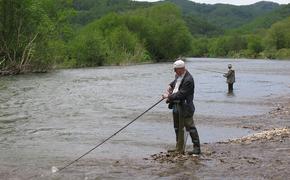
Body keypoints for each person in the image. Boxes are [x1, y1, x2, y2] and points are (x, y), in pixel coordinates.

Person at [162, 59, 201, 155]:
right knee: (177, 127)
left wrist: (168, 96)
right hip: (176, 105)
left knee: (190, 127)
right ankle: (178, 148)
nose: (174, 71)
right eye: (174, 70)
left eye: (175, 69)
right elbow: (175, 82)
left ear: (181, 69)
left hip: (185, 107)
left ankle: (197, 148)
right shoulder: (178, 75)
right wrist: (170, 86)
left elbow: (181, 94)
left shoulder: (189, 79)